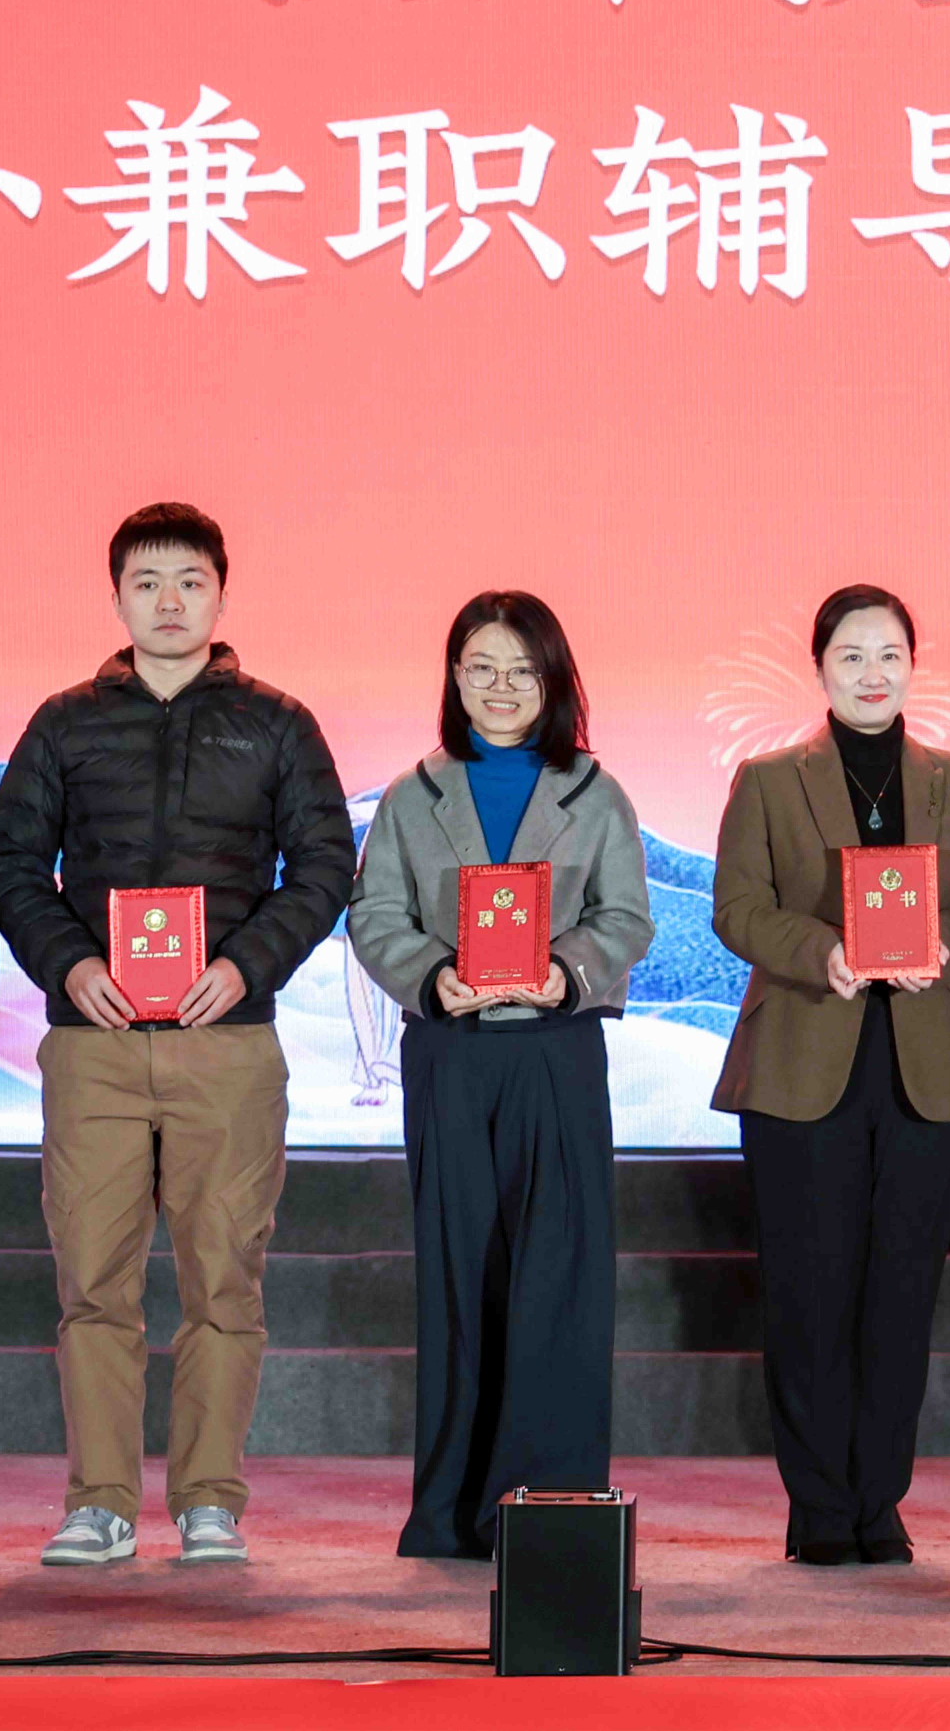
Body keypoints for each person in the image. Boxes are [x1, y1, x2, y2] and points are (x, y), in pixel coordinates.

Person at [0, 503, 355, 1569]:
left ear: (220, 595)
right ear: (116, 597)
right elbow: (13, 863)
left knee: (223, 1279)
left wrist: (246, 963)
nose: (168, 601)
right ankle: (100, 1502)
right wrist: (71, 963)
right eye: (146, 582)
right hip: (95, 1042)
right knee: (93, 1282)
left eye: (189, 581)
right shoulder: (64, 723)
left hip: (226, 1041)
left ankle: (209, 1501)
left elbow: (324, 864)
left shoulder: (277, 723)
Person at [711, 586, 950, 1565]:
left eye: (889, 654)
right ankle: (817, 1504)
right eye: (851, 655)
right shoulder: (768, 780)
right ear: (819, 667)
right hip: (802, 1061)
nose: (872, 673)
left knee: (900, 1292)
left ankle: (878, 1500)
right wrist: (824, 952)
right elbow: (737, 908)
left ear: (913, 666)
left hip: (927, 1072)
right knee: (808, 1292)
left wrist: (941, 945)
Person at [346, 591, 653, 1560]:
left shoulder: (595, 792)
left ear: (553, 680)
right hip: (452, 1050)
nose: (502, 686)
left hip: (557, 1049)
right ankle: (449, 1510)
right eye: (481, 667)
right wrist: (431, 977)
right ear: (453, 677)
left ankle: (547, 1507)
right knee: (457, 1271)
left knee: (559, 1275)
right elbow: (373, 914)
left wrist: (568, 973)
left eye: (522, 668)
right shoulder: (413, 794)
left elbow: (626, 917)